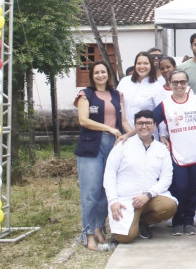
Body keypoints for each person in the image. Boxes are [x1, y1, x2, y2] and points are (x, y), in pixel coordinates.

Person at [74, 61, 131, 250]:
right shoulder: (85, 95)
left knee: (108, 191)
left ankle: (99, 227)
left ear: (109, 74)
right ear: (92, 75)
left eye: (103, 72)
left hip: (113, 146)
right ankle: (88, 233)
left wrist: (134, 135)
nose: (100, 75)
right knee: (91, 192)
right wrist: (108, 128)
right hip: (91, 147)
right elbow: (83, 120)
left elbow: (123, 122)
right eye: (96, 72)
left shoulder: (117, 95)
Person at [103, 110, 177, 244]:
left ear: (154, 125)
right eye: (140, 123)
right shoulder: (123, 146)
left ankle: (143, 221)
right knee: (125, 238)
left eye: (148, 123)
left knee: (169, 206)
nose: (144, 127)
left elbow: (166, 178)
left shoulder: (161, 149)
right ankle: (132, 222)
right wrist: (113, 201)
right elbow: (109, 174)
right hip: (125, 199)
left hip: (148, 198)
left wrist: (148, 195)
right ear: (135, 126)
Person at [153, 69, 196, 236]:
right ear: (170, 84)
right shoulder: (165, 104)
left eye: (182, 82)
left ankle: (189, 220)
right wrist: (162, 136)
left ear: (187, 84)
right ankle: (177, 221)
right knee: (180, 187)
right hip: (178, 154)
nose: (179, 85)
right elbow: (151, 121)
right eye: (175, 82)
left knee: (194, 189)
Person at [116, 51, 164, 130]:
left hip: (146, 134)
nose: (142, 66)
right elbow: (116, 104)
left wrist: (163, 134)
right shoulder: (124, 81)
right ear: (135, 65)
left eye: (146, 63)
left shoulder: (156, 86)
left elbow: (161, 113)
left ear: (151, 65)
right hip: (123, 132)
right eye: (139, 63)